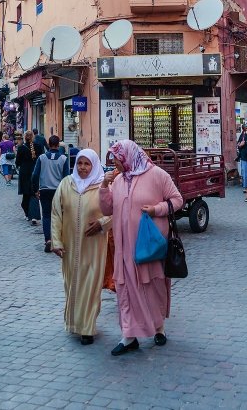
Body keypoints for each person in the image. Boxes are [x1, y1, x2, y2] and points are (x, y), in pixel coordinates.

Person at [99, 140, 183, 356]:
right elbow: (107, 209)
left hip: (149, 247)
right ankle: (129, 335)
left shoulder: (157, 175)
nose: (114, 163)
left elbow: (177, 200)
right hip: (123, 248)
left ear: (127, 156)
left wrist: (157, 209)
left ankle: (158, 328)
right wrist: (103, 187)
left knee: (152, 287)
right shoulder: (117, 180)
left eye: (116, 158)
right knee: (125, 289)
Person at [51, 149, 111, 345]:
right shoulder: (66, 184)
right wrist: (56, 242)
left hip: (94, 246)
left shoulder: (103, 186)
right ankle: (74, 323)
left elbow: (116, 210)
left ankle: (87, 328)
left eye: (87, 164)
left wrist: (102, 223)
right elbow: (56, 214)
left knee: (91, 284)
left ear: (94, 165)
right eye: (79, 163)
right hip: (70, 245)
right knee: (72, 284)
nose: (83, 168)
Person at [33, 135, 71, 252]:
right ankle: (58, 240)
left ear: (49, 144)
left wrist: (35, 189)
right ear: (58, 145)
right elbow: (66, 177)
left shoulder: (42, 158)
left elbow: (35, 175)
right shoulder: (64, 158)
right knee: (60, 215)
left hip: (44, 190)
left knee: (46, 215)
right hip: (58, 190)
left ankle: (48, 240)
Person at [16, 131, 43, 224]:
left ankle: (28, 214)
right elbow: (41, 159)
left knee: (26, 194)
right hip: (35, 171)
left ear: (24, 137)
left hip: (24, 173)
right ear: (33, 137)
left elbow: (17, 162)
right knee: (34, 192)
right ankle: (34, 216)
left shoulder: (21, 148)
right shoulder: (39, 147)